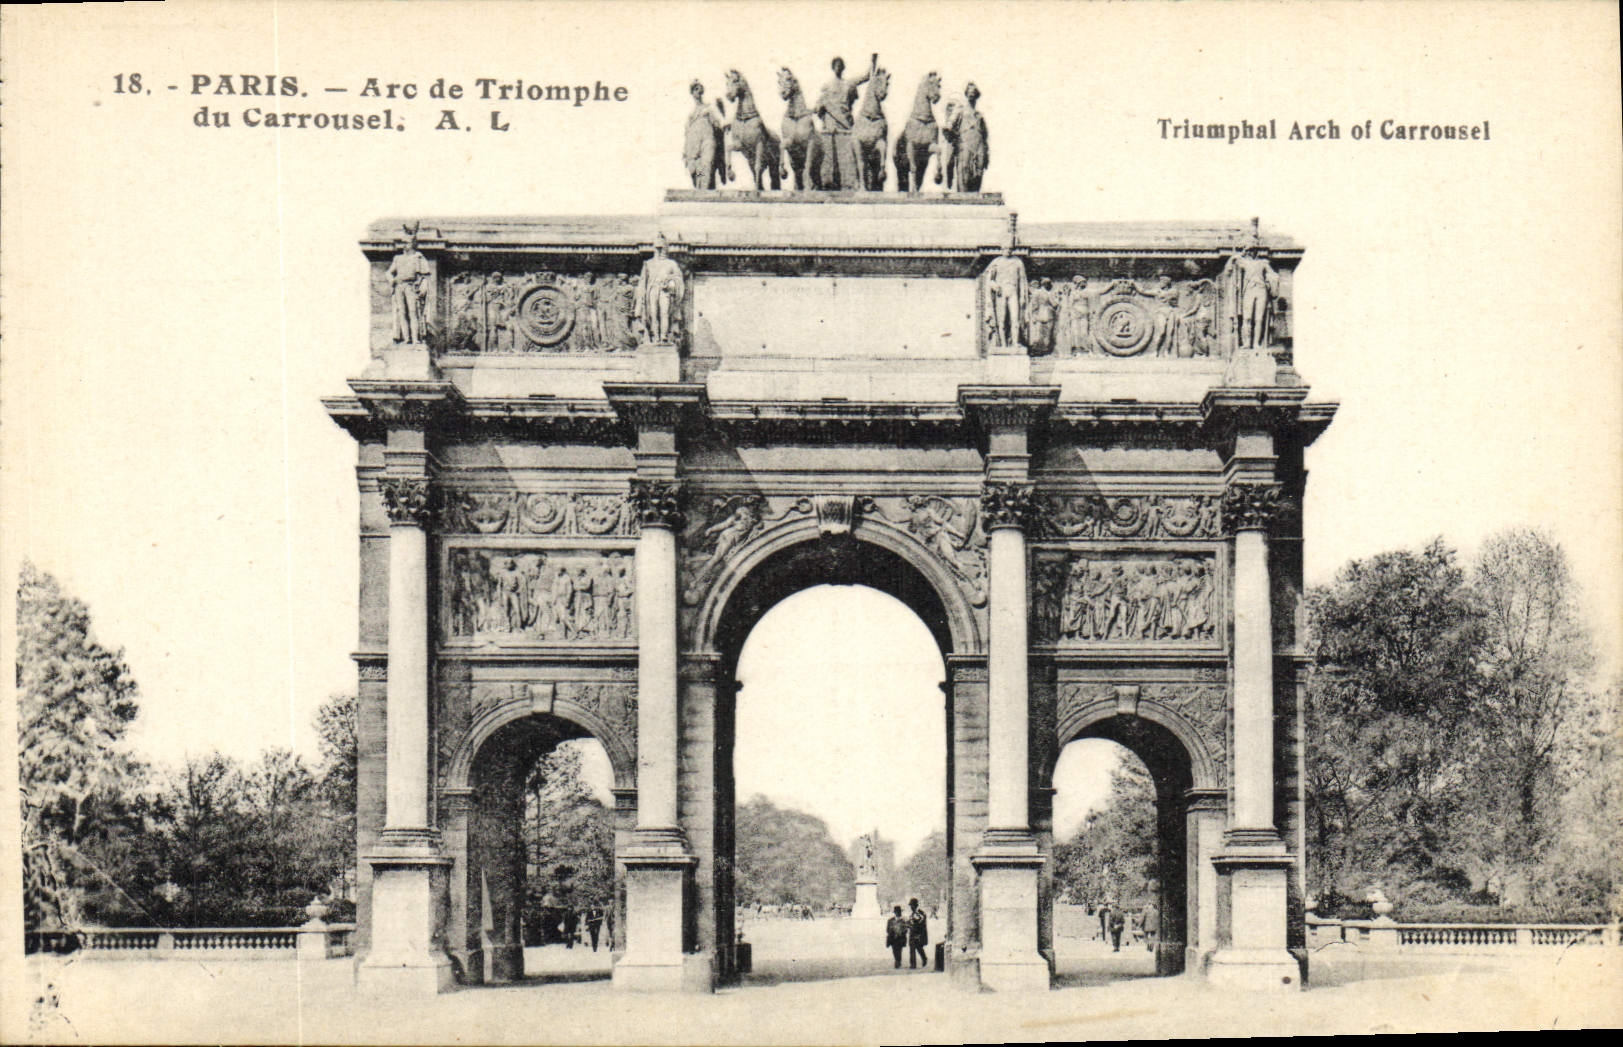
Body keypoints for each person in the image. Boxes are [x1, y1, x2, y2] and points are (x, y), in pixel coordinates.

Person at [907, 897, 930, 970]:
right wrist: (908, 925)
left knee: (918, 947)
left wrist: (914, 926)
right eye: (910, 906)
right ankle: (913, 964)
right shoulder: (913, 914)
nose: (911, 907)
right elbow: (911, 923)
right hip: (912, 933)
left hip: (918, 933)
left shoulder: (920, 913)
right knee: (913, 948)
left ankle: (923, 959)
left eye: (912, 905)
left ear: (916, 905)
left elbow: (921, 923)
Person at [885, 905, 908, 969]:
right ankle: (897, 961)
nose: (898, 913)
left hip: (900, 938)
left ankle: (898, 961)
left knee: (899, 950)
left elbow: (906, 930)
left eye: (899, 912)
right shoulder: (890, 920)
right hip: (893, 938)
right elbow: (887, 929)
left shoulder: (904, 920)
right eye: (896, 912)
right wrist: (892, 932)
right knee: (894, 950)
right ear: (895, 912)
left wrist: (901, 933)